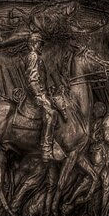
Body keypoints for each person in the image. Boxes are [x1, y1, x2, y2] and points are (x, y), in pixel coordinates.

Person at [25, 32, 65, 162]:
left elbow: (41, 81)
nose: (41, 46)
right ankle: (46, 149)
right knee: (51, 113)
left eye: (42, 44)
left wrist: (49, 91)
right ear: (33, 43)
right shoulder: (33, 56)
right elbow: (32, 80)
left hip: (41, 92)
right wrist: (40, 96)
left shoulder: (37, 57)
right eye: (39, 44)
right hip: (35, 94)